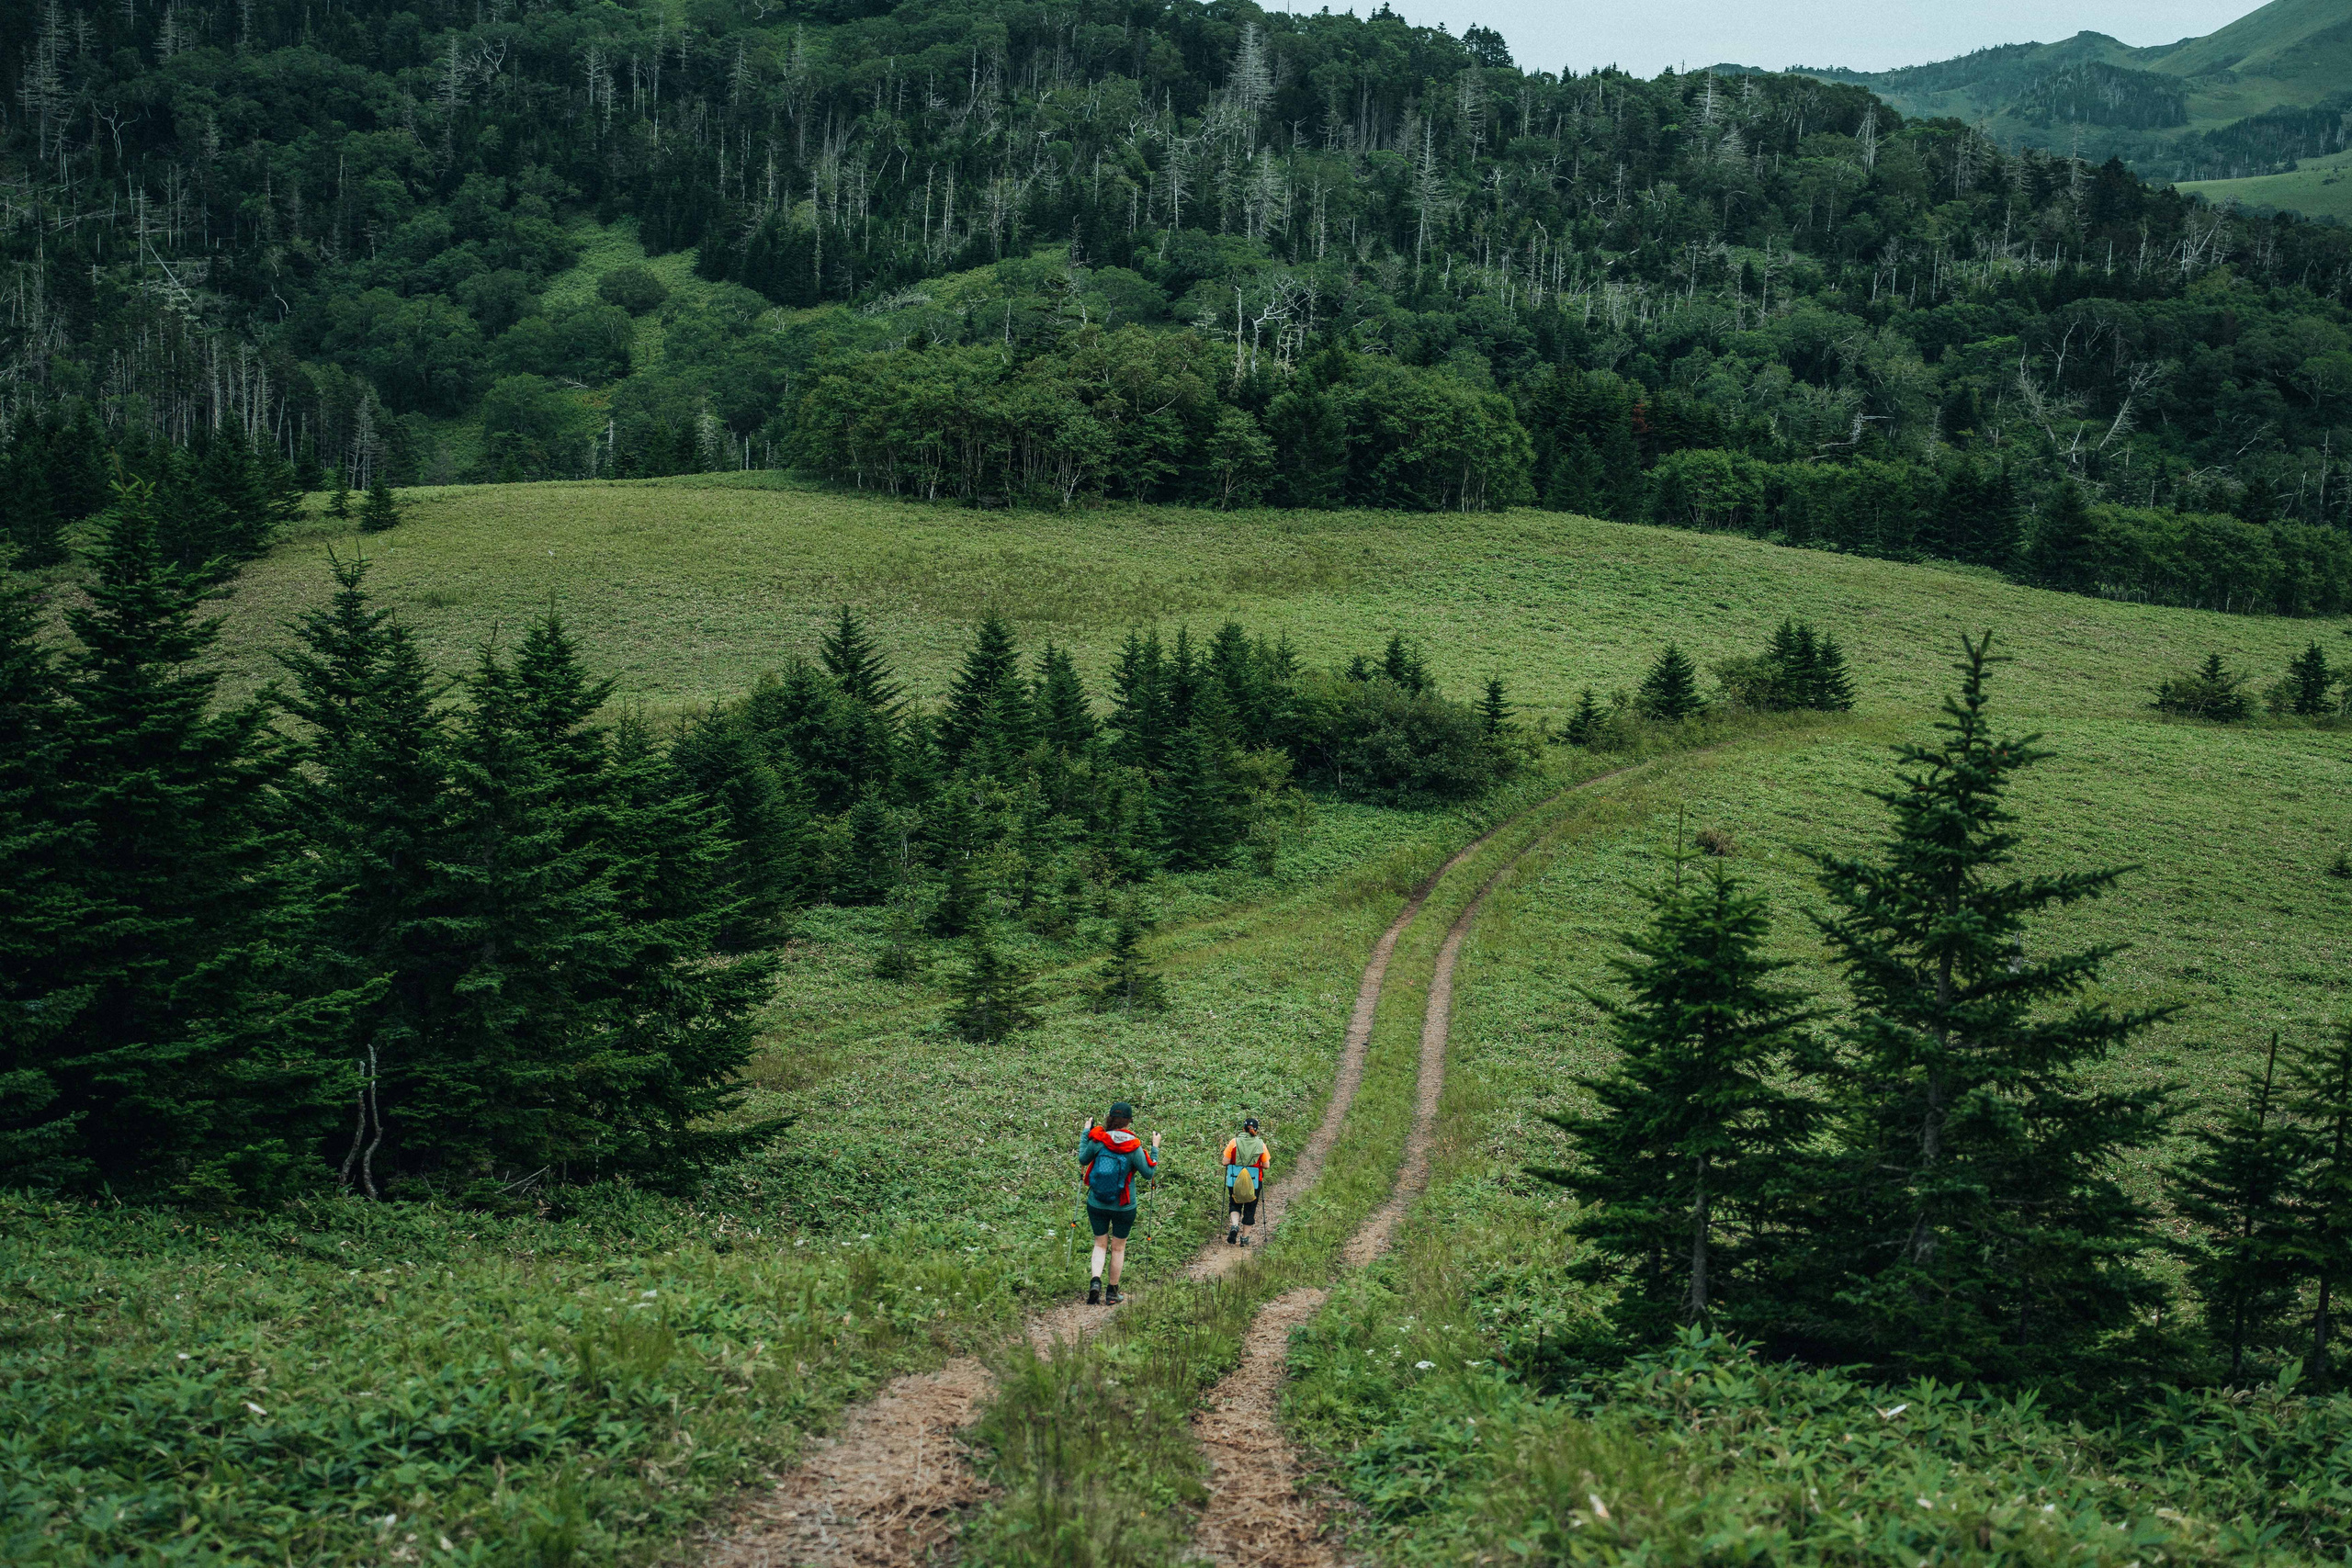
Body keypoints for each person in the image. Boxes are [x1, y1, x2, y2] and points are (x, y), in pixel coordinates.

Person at [1079, 1101, 1159, 1305]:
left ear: (1110, 1118)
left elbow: (1083, 1159)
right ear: (1129, 1121)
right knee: (1118, 1248)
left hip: (1097, 1202)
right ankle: (1112, 1293)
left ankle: (1095, 1281)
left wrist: (1086, 1132)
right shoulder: (1134, 1147)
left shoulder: (1098, 1140)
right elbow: (1148, 1173)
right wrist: (1155, 1148)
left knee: (1100, 1244)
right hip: (1124, 1206)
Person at [1221, 1116, 1272, 1246]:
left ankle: (1234, 1226)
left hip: (1235, 1180)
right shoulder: (1261, 1144)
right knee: (1250, 1207)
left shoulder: (1234, 1142)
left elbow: (1225, 1162)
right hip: (1254, 1181)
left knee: (1235, 1203)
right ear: (1256, 1130)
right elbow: (1266, 1165)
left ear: (1243, 1129)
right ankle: (1244, 1238)